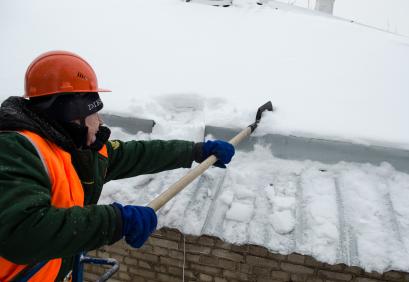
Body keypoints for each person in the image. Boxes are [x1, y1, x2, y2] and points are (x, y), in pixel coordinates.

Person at [0, 50, 235, 281]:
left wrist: (195, 151)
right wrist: (116, 221)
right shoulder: (15, 148)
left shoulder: (74, 146)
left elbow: (137, 154)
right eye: (95, 113)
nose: (99, 121)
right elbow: (22, 232)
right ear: (73, 113)